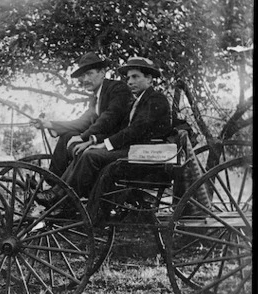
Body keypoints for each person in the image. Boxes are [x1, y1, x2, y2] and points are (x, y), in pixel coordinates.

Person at [51, 56, 173, 200]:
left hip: (148, 155)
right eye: (128, 78)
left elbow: (134, 131)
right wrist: (93, 141)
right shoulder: (138, 102)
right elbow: (123, 130)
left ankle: (65, 200)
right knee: (87, 151)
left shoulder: (155, 99)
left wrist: (105, 145)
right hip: (136, 152)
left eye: (135, 77)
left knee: (91, 156)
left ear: (149, 79)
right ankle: (58, 193)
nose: (130, 82)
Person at [33, 52, 133, 176]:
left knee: (80, 148)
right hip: (100, 140)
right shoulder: (96, 98)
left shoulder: (117, 89)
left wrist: (83, 137)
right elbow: (82, 122)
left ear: (102, 72)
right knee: (67, 136)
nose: (85, 80)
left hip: (116, 144)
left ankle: (63, 189)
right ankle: (53, 181)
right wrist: (48, 124)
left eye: (90, 74)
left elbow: (108, 118)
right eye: (83, 75)